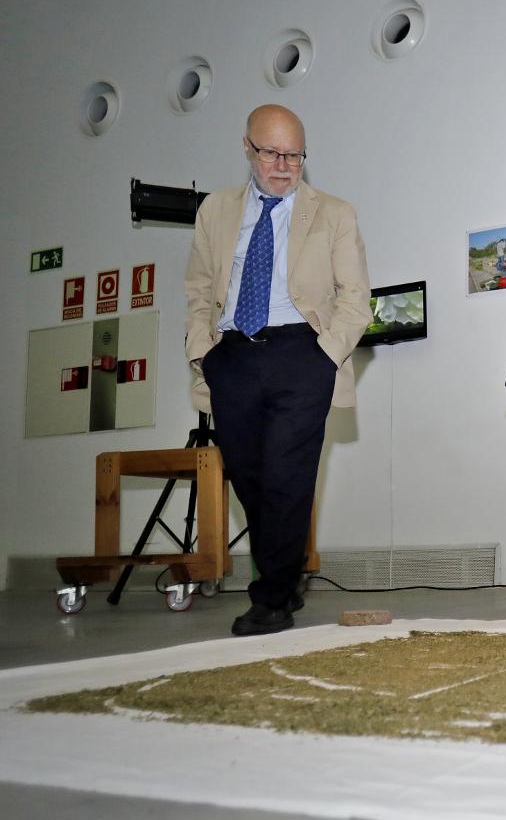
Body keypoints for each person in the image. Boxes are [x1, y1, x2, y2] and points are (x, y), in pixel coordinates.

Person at [185, 104, 372, 635]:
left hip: (302, 354)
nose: (284, 165)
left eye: (295, 155)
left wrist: (325, 355)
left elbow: (356, 297)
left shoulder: (334, 213)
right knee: (249, 477)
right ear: (247, 148)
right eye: (272, 153)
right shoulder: (215, 211)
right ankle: (286, 580)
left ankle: (269, 598)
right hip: (234, 356)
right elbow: (198, 288)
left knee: (288, 479)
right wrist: (205, 354)